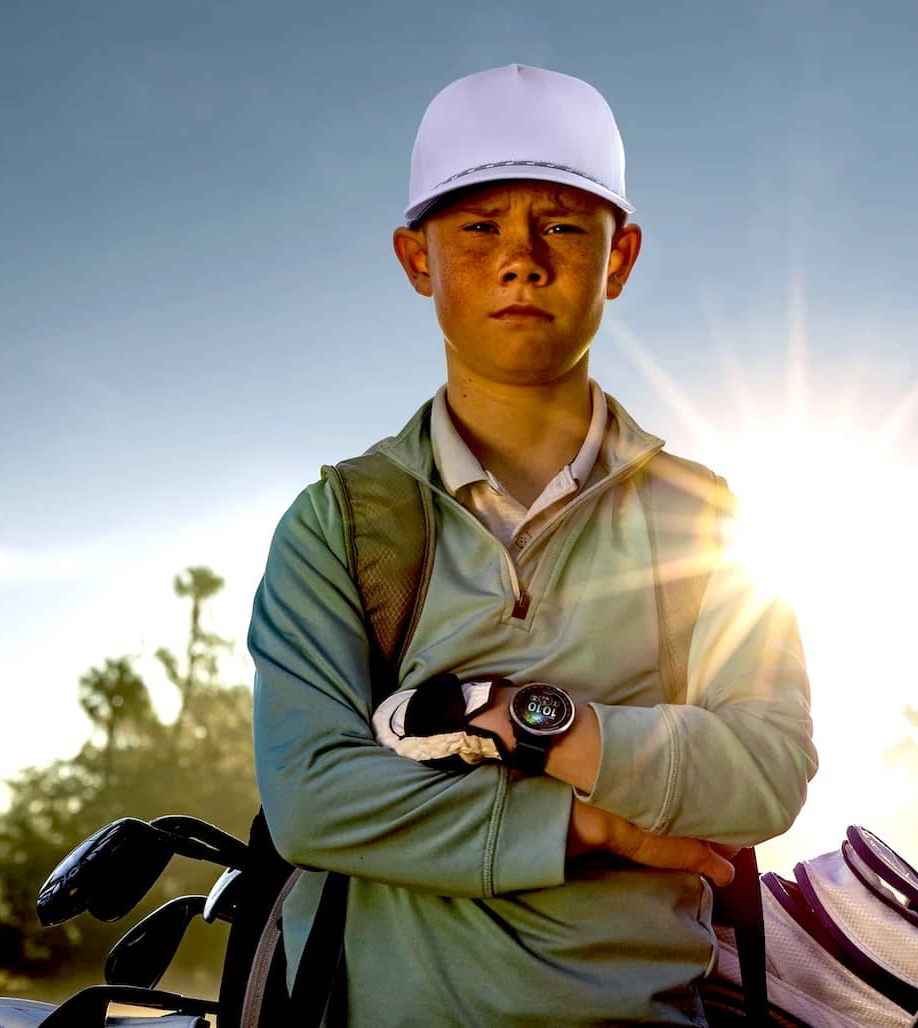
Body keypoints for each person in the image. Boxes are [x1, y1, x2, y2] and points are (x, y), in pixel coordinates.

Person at [247, 63, 817, 1026]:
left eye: (560, 224)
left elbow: (766, 770)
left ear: (620, 258)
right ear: (417, 258)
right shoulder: (340, 521)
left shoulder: (701, 517)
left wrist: (525, 718)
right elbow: (314, 798)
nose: (521, 259)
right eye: (478, 228)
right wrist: (594, 823)